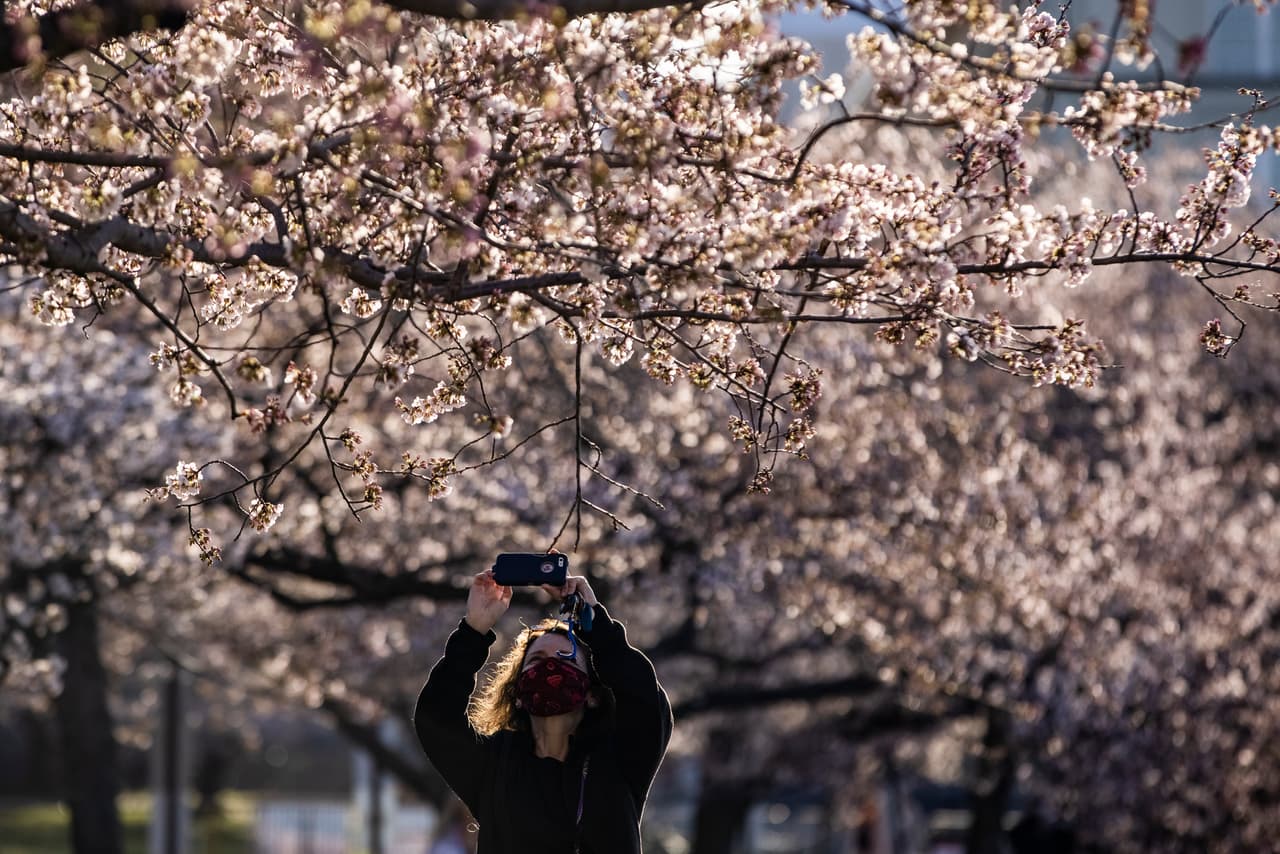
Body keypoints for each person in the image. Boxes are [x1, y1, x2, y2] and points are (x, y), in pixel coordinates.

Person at [413, 568, 673, 854]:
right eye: (537, 661)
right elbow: (436, 719)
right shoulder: (495, 767)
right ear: (518, 693)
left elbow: (646, 700)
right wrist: (473, 630)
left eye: (565, 659)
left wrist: (597, 626)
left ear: (592, 694)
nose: (550, 668)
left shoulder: (619, 759)